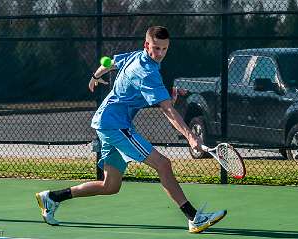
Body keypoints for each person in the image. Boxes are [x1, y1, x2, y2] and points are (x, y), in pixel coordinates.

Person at [35, 26, 226, 233]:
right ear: (147, 45)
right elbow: (168, 111)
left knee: (110, 186)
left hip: (106, 121)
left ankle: (52, 197)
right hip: (115, 124)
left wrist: (95, 75)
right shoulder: (148, 71)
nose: (160, 53)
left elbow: (110, 63)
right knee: (163, 164)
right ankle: (193, 217)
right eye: (156, 48)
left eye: (164, 49)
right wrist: (190, 136)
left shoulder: (137, 56)